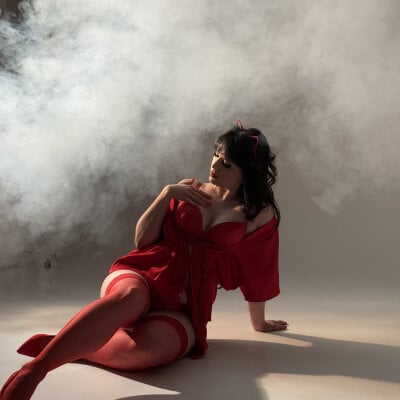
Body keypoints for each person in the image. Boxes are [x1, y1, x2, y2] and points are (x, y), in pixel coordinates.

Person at [0, 120, 288, 400]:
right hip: (144, 273)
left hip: (185, 305)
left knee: (147, 351)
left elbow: (259, 269)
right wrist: (166, 193)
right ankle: (34, 371)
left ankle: (71, 345)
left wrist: (259, 323)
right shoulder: (187, 188)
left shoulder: (257, 215)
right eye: (215, 155)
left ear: (247, 172)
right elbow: (142, 241)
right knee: (129, 298)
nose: (214, 166)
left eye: (227, 164)